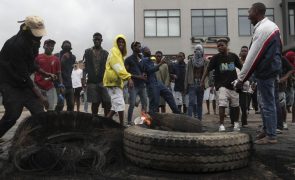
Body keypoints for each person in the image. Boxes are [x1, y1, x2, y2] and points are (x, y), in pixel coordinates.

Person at [0, 16, 55, 139]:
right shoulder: (15, 45)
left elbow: (31, 63)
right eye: (37, 34)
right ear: (27, 30)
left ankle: (39, 139)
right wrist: (40, 96)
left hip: (23, 81)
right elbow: (23, 74)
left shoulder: (34, 41)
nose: (40, 37)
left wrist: (44, 73)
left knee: (39, 111)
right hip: (8, 81)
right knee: (13, 115)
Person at [235, 2, 282, 144]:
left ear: (256, 12)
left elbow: (252, 57)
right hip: (270, 70)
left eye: (249, 12)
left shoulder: (264, 29)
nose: (248, 15)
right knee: (267, 102)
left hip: (266, 72)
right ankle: (267, 130)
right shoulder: (270, 26)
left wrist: (241, 79)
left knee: (267, 103)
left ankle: (271, 136)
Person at [201, 38, 242, 131]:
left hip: (233, 85)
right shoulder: (216, 58)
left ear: (227, 46)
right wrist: (202, 81)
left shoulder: (233, 56)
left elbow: (242, 68)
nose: (220, 47)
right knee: (222, 104)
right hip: (221, 85)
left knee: (235, 106)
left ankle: (236, 123)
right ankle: (221, 125)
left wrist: (242, 80)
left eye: (222, 45)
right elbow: (207, 69)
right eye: (218, 46)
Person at [103, 34, 134, 125]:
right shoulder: (114, 51)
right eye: (119, 42)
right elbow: (118, 67)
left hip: (115, 83)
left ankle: (104, 123)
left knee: (115, 106)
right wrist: (128, 77)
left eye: (123, 42)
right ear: (116, 43)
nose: (121, 43)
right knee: (120, 105)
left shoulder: (119, 54)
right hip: (112, 83)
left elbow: (120, 67)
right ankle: (121, 126)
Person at [141, 46, 180, 114]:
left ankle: (176, 111)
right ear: (143, 52)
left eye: (149, 49)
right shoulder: (144, 60)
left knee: (169, 94)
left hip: (157, 82)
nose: (149, 51)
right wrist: (161, 63)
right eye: (147, 50)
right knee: (155, 102)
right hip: (151, 84)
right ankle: (152, 118)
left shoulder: (149, 60)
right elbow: (150, 70)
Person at [82, 32, 111, 116]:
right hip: (91, 81)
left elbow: (108, 68)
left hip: (103, 81)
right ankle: (94, 121)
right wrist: (83, 79)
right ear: (93, 40)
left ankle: (107, 121)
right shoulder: (87, 52)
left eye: (99, 39)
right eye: (95, 39)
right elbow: (84, 66)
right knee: (95, 104)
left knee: (107, 102)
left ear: (101, 40)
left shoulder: (106, 53)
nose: (97, 41)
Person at [34, 39, 62, 111]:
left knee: (50, 109)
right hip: (38, 86)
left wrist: (61, 85)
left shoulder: (56, 59)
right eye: (48, 45)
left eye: (52, 46)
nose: (50, 47)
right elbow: (33, 70)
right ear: (44, 46)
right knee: (38, 109)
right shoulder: (37, 57)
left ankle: (49, 122)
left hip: (50, 87)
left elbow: (59, 73)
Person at [124, 41, 147, 125]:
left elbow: (143, 70)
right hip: (133, 85)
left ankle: (142, 121)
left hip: (142, 85)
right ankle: (129, 121)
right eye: (138, 47)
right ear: (133, 48)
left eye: (140, 46)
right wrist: (138, 77)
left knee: (144, 104)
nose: (140, 48)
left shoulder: (142, 58)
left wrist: (144, 74)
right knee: (132, 104)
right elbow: (126, 73)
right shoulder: (128, 59)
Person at [185, 44, 205, 120]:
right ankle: (189, 119)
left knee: (200, 104)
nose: (198, 51)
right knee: (191, 103)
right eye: (196, 50)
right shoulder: (190, 61)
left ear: (202, 51)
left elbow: (207, 73)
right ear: (194, 51)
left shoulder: (205, 61)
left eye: (199, 50)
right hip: (192, 84)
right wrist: (186, 85)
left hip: (201, 84)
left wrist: (208, 84)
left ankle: (199, 120)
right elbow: (187, 74)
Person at [55, 40, 76, 112]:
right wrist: (62, 60)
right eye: (65, 46)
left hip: (69, 84)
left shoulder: (73, 57)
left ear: (70, 48)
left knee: (71, 105)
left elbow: (70, 69)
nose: (67, 49)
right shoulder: (56, 56)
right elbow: (56, 70)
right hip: (60, 84)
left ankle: (69, 120)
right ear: (61, 47)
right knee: (60, 104)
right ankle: (56, 120)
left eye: (68, 46)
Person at [237, 46, 251, 127]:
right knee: (234, 105)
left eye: (245, 51)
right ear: (240, 52)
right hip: (236, 85)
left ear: (248, 52)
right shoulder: (237, 61)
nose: (244, 52)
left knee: (244, 106)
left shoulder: (250, 61)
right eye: (242, 51)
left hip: (246, 86)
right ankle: (234, 122)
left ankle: (244, 122)